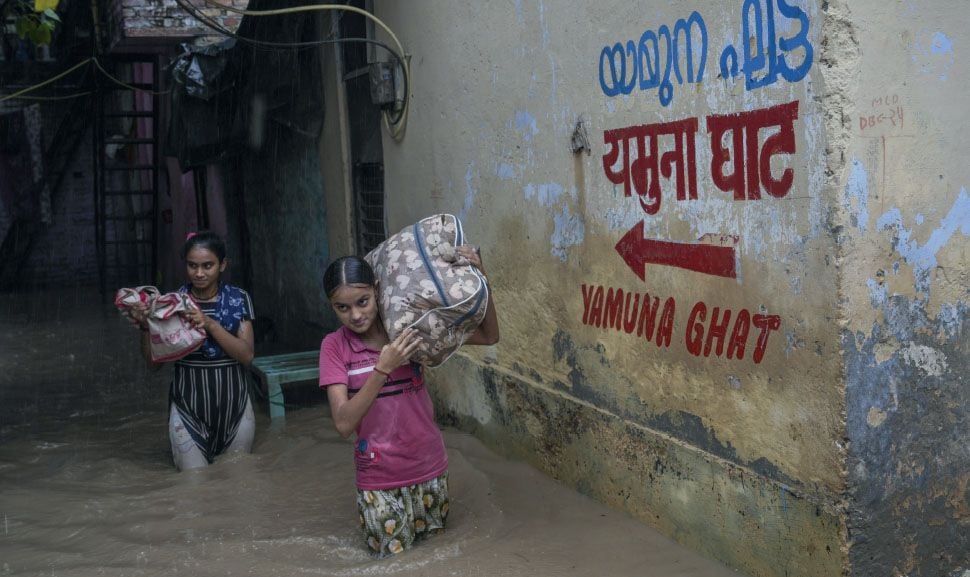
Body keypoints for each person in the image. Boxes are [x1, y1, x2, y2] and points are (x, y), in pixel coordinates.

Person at [318, 246, 499, 558]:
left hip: (430, 469)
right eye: (342, 308)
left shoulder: (409, 328)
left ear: (377, 290)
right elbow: (344, 423)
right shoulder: (334, 347)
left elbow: (488, 335)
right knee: (392, 564)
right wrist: (383, 368)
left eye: (363, 302)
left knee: (433, 559)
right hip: (378, 480)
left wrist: (482, 279)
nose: (356, 315)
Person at [127, 231, 256, 471]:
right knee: (193, 488)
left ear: (223, 265)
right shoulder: (171, 305)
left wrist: (208, 324)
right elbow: (153, 365)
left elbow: (247, 356)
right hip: (188, 410)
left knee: (242, 484)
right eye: (192, 266)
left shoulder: (239, 300)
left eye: (207, 266)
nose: (199, 273)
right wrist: (146, 326)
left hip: (235, 409)